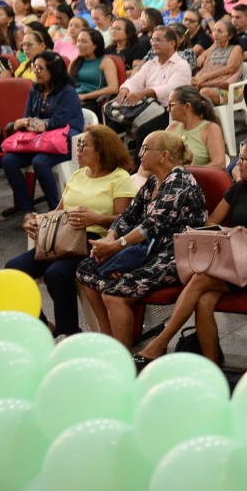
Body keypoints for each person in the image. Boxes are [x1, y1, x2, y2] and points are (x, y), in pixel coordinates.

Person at [135, 137, 247, 364]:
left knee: (200, 279)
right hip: (233, 257)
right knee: (204, 302)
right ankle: (212, 364)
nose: (238, 164)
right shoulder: (239, 189)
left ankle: (161, 342)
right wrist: (230, 230)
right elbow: (210, 224)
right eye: (238, 158)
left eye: (244, 159)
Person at [75, 131, 207, 347]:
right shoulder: (153, 180)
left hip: (175, 254)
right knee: (85, 268)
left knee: (113, 293)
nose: (140, 153)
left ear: (164, 155)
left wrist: (116, 247)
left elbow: (151, 225)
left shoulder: (179, 181)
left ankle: (124, 356)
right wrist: (110, 239)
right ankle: (108, 339)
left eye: (145, 149)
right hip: (146, 250)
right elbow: (129, 215)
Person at [5, 126, 136, 337]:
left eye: (84, 145)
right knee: (12, 270)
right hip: (64, 237)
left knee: (56, 274)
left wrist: (97, 218)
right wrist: (35, 222)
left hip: (96, 241)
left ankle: (70, 332)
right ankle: (43, 325)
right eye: (79, 144)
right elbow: (58, 211)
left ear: (101, 150)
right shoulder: (78, 175)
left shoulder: (119, 178)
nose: (78, 149)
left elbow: (125, 222)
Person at [0, 51, 85, 216]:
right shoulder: (35, 90)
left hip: (64, 140)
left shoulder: (67, 91)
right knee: (8, 161)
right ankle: (28, 209)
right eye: (34, 67)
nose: (36, 71)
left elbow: (58, 122)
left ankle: (54, 209)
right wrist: (27, 123)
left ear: (53, 70)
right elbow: (27, 117)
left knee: (40, 162)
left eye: (40, 68)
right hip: (39, 141)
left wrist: (32, 123)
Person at [164, 85, 227, 168]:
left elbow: (219, 164)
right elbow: (157, 151)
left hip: (197, 179)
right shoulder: (173, 127)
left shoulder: (211, 129)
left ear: (187, 106)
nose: (168, 109)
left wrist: (186, 174)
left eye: (171, 105)